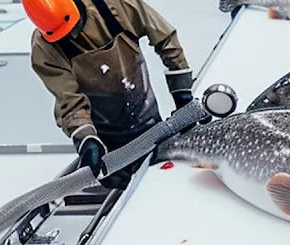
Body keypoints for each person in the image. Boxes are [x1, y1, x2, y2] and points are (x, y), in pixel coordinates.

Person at [22, 0, 194, 189]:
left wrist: (181, 91)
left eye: (74, 27)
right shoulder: (45, 48)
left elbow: (165, 38)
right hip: (108, 142)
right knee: (127, 195)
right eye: (63, 35)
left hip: (149, 120)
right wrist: (86, 138)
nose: (72, 35)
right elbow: (69, 99)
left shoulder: (116, 6)